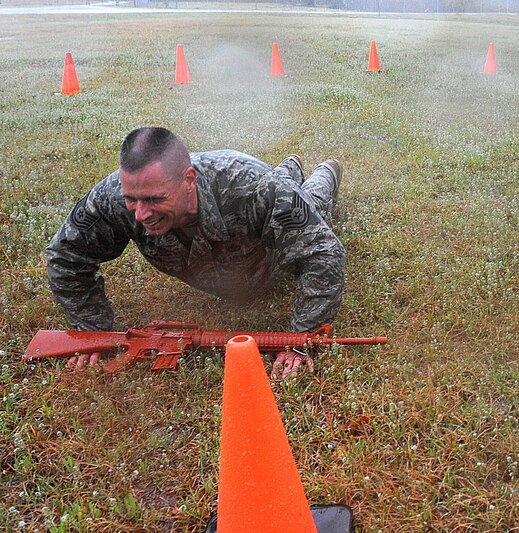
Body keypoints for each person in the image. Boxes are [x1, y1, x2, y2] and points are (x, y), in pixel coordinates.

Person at [46, 127, 345, 376]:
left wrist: (299, 338)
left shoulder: (254, 187)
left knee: (309, 200)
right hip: (260, 208)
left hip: (269, 261)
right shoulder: (112, 197)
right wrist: (93, 331)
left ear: (189, 180)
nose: (141, 214)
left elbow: (324, 254)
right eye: (132, 200)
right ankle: (289, 165)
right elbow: (66, 255)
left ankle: (326, 170)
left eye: (153, 199)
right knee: (283, 189)